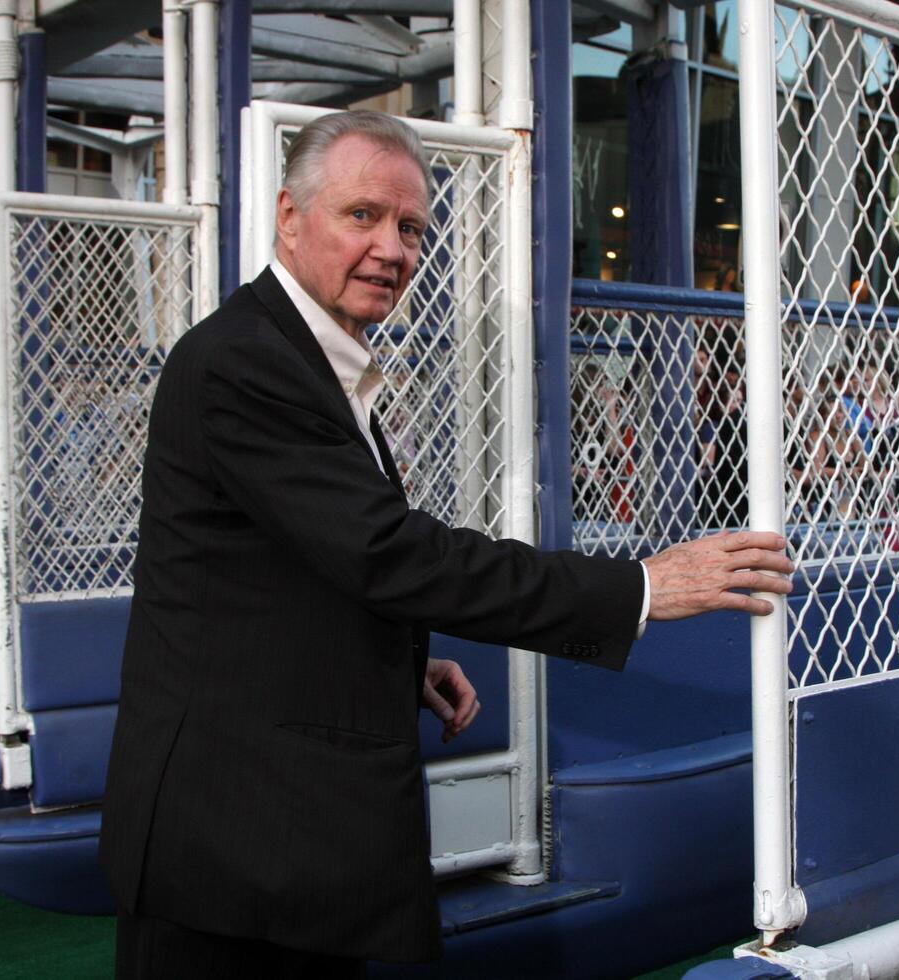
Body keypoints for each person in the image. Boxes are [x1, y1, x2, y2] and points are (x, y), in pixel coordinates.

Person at [99, 110, 793, 978]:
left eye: (410, 227)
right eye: (363, 216)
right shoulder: (244, 361)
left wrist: (396, 659)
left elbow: (285, 569)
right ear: (288, 216)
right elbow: (388, 553)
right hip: (238, 846)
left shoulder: (308, 357)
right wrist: (641, 587)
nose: (392, 248)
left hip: (278, 836)